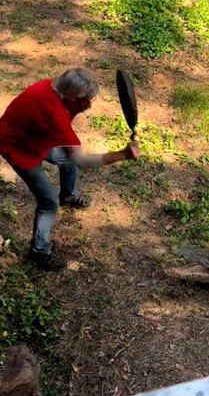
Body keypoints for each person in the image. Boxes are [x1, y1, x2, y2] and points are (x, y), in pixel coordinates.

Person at [0, 68, 141, 271]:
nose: (88, 106)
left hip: (37, 136)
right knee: (48, 202)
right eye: (84, 101)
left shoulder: (55, 86)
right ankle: (40, 252)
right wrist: (122, 155)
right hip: (18, 148)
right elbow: (81, 159)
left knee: (69, 162)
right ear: (68, 95)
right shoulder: (54, 115)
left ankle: (68, 196)